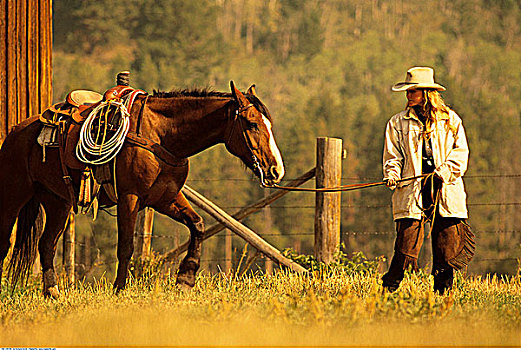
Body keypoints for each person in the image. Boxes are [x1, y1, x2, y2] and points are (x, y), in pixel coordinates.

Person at [382, 66, 475, 294]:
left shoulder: (450, 120)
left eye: (413, 91)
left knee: (446, 247)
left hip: (444, 189)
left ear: (426, 93)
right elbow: (393, 156)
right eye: (408, 91)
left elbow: (460, 153)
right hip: (412, 190)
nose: (408, 95)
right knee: (405, 246)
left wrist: (443, 173)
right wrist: (392, 174)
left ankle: (443, 296)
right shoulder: (397, 123)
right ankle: (388, 289)